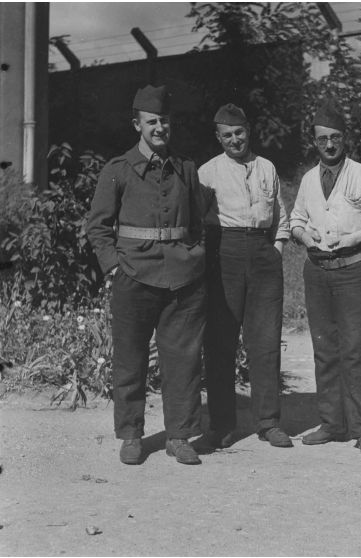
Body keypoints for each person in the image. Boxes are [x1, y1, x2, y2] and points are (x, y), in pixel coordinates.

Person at [86, 85, 207, 466]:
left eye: (165, 121)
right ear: (136, 123)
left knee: (183, 361)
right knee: (130, 360)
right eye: (152, 121)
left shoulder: (186, 168)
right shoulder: (117, 170)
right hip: (134, 277)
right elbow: (97, 226)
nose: (160, 127)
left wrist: (195, 256)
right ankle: (132, 435)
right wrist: (114, 267)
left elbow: (198, 223)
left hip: (182, 279)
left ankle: (179, 435)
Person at [290, 100, 361, 456]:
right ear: (314, 142)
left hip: (353, 271)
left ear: (345, 138)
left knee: (356, 351)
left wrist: (355, 237)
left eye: (336, 138)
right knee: (325, 351)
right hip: (317, 273)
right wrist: (304, 235)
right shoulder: (308, 179)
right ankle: (333, 423)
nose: (330, 145)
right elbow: (295, 219)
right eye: (323, 139)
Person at [197, 103, 293, 449]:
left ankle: (269, 422)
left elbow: (281, 215)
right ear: (218, 137)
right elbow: (199, 223)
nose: (234, 140)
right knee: (221, 342)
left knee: (265, 341)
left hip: (264, 254)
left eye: (239, 133)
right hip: (226, 254)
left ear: (248, 131)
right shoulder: (208, 173)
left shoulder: (266, 167)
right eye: (227, 135)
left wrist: (277, 249)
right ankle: (222, 425)